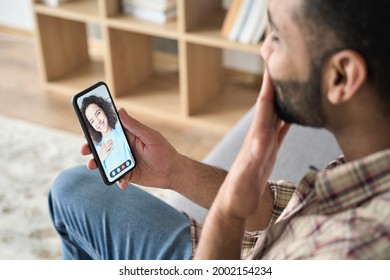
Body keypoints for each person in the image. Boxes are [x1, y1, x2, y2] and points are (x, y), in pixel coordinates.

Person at [49, 0, 390, 260]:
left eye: (277, 36)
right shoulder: (368, 158)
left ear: (341, 77)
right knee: (73, 187)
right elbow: (282, 211)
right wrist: (176, 171)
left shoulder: (350, 249)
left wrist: (228, 212)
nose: (264, 50)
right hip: (251, 247)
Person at [81, 95, 132, 176]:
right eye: (92, 121)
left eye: (98, 113)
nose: (98, 121)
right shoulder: (97, 148)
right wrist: (100, 158)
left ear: (104, 110)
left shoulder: (122, 133)